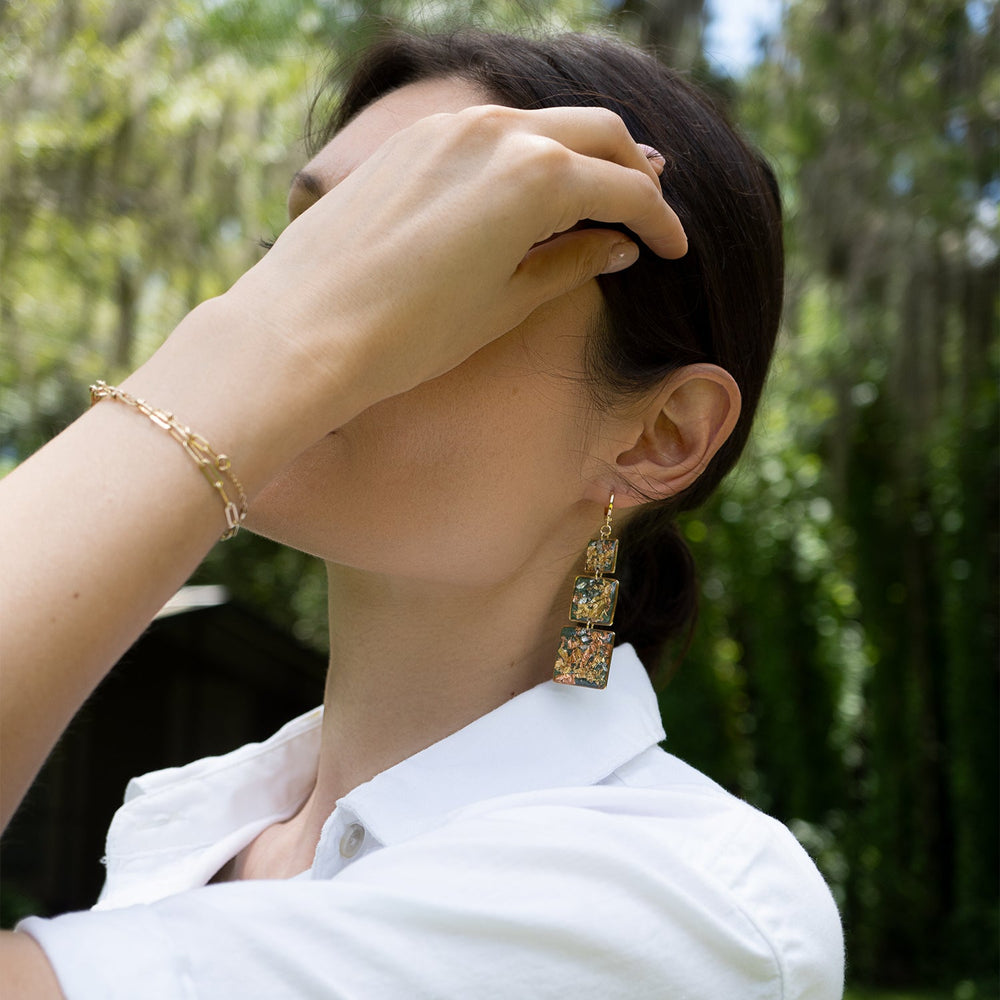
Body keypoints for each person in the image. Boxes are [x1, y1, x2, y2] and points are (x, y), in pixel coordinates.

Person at [0, 29, 844, 999]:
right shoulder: (193, 813)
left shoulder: (672, 901)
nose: (301, 304)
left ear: (658, 436)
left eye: (429, 262)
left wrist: (248, 361)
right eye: (303, 254)